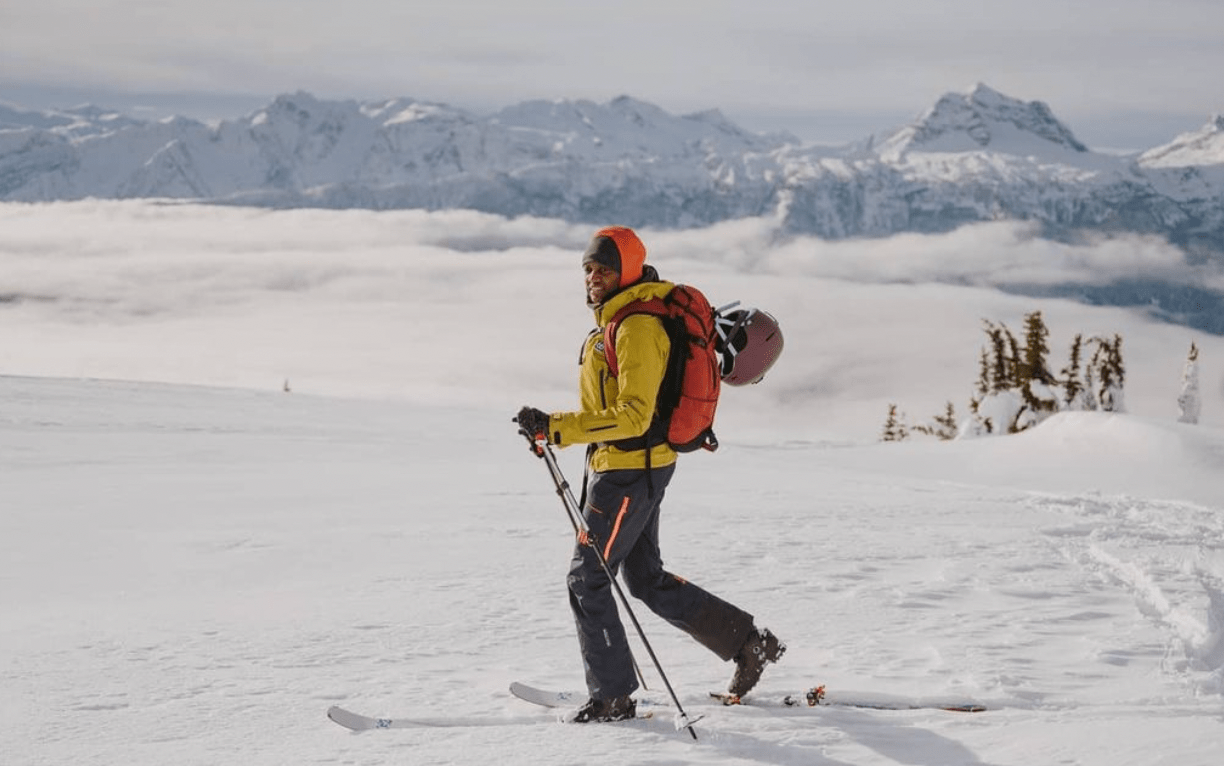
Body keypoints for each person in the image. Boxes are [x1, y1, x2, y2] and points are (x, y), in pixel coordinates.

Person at [515, 226, 784, 723]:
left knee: (587, 579)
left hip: (628, 472)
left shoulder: (637, 326)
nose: (594, 278)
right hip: (632, 467)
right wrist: (560, 434)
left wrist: (557, 429)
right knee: (644, 578)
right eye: (589, 269)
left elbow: (634, 414)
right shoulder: (618, 319)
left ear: (629, 272)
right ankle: (749, 643)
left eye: (605, 270)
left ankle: (613, 696)